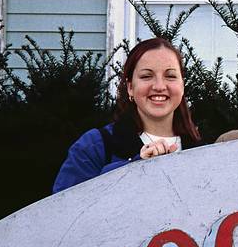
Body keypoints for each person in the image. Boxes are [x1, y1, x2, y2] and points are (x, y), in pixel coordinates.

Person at [52, 38, 201, 193]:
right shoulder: (94, 146)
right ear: (130, 87)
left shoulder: (205, 150)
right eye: (146, 76)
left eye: (170, 76)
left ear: (182, 84)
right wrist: (135, 167)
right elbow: (65, 208)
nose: (159, 86)